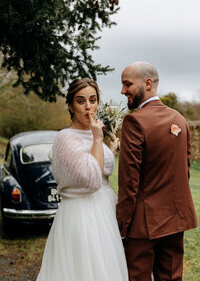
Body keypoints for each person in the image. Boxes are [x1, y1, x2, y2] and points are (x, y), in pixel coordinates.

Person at [37, 78, 128, 281]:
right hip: (82, 217)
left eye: (93, 99)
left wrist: (109, 150)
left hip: (105, 214)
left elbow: (96, 164)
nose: (88, 106)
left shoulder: (92, 133)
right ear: (70, 105)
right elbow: (91, 180)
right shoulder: (65, 138)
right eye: (81, 101)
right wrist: (97, 139)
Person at [116, 61, 198, 281]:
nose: (123, 91)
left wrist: (120, 227)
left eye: (127, 84)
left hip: (142, 227)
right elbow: (185, 171)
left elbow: (128, 183)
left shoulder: (134, 122)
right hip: (175, 221)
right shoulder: (179, 119)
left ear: (148, 84)